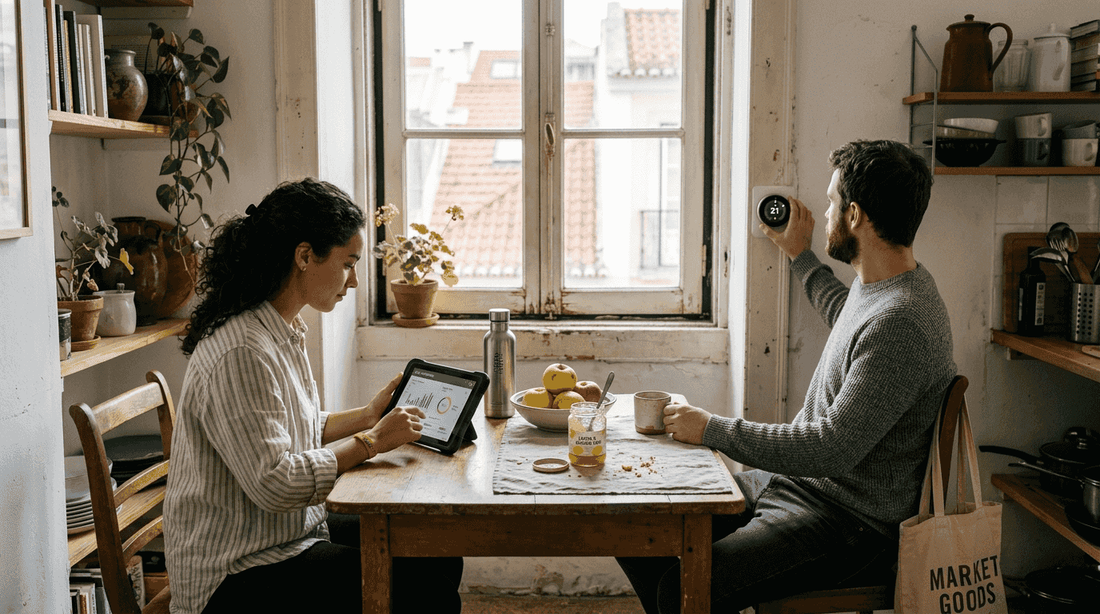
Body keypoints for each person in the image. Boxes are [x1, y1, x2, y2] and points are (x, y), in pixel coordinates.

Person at [617, 140, 956, 614]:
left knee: (679, 590)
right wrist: (799, 255)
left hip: (849, 525)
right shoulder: (888, 285)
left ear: (855, 215)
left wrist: (712, 429)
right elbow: (848, 319)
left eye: (834, 201)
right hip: (802, 490)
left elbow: (829, 448)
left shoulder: (902, 322)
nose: (826, 210)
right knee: (637, 525)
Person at [165, 178, 463, 614]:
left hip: (285, 535)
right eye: (348, 263)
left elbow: (291, 429)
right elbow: (275, 482)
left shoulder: (280, 330)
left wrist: (366, 416)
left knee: (433, 547)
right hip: (235, 576)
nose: (355, 281)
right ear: (305, 256)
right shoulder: (243, 350)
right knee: (422, 589)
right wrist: (373, 442)